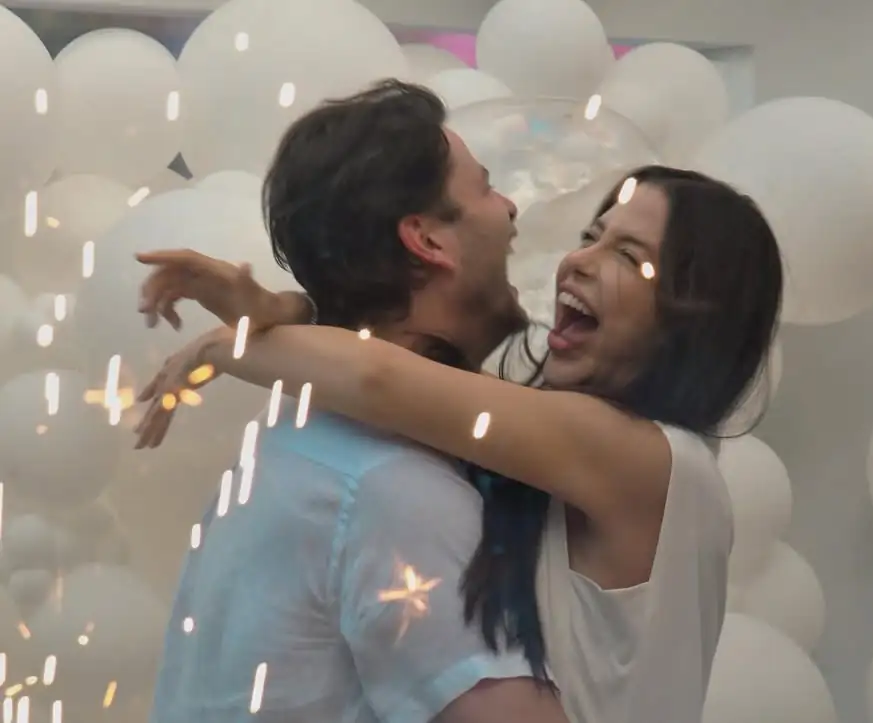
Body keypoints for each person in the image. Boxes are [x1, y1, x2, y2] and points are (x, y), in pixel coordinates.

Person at [137, 167, 784, 721]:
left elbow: (379, 378)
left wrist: (228, 346)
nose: (580, 260)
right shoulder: (558, 441)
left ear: (689, 316)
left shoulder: (649, 460)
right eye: (592, 235)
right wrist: (284, 309)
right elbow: (406, 366)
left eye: (627, 256)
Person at [145, 80, 571, 723]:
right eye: (485, 188)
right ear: (428, 241)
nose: (509, 208)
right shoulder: (396, 492)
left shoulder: (298, 436)